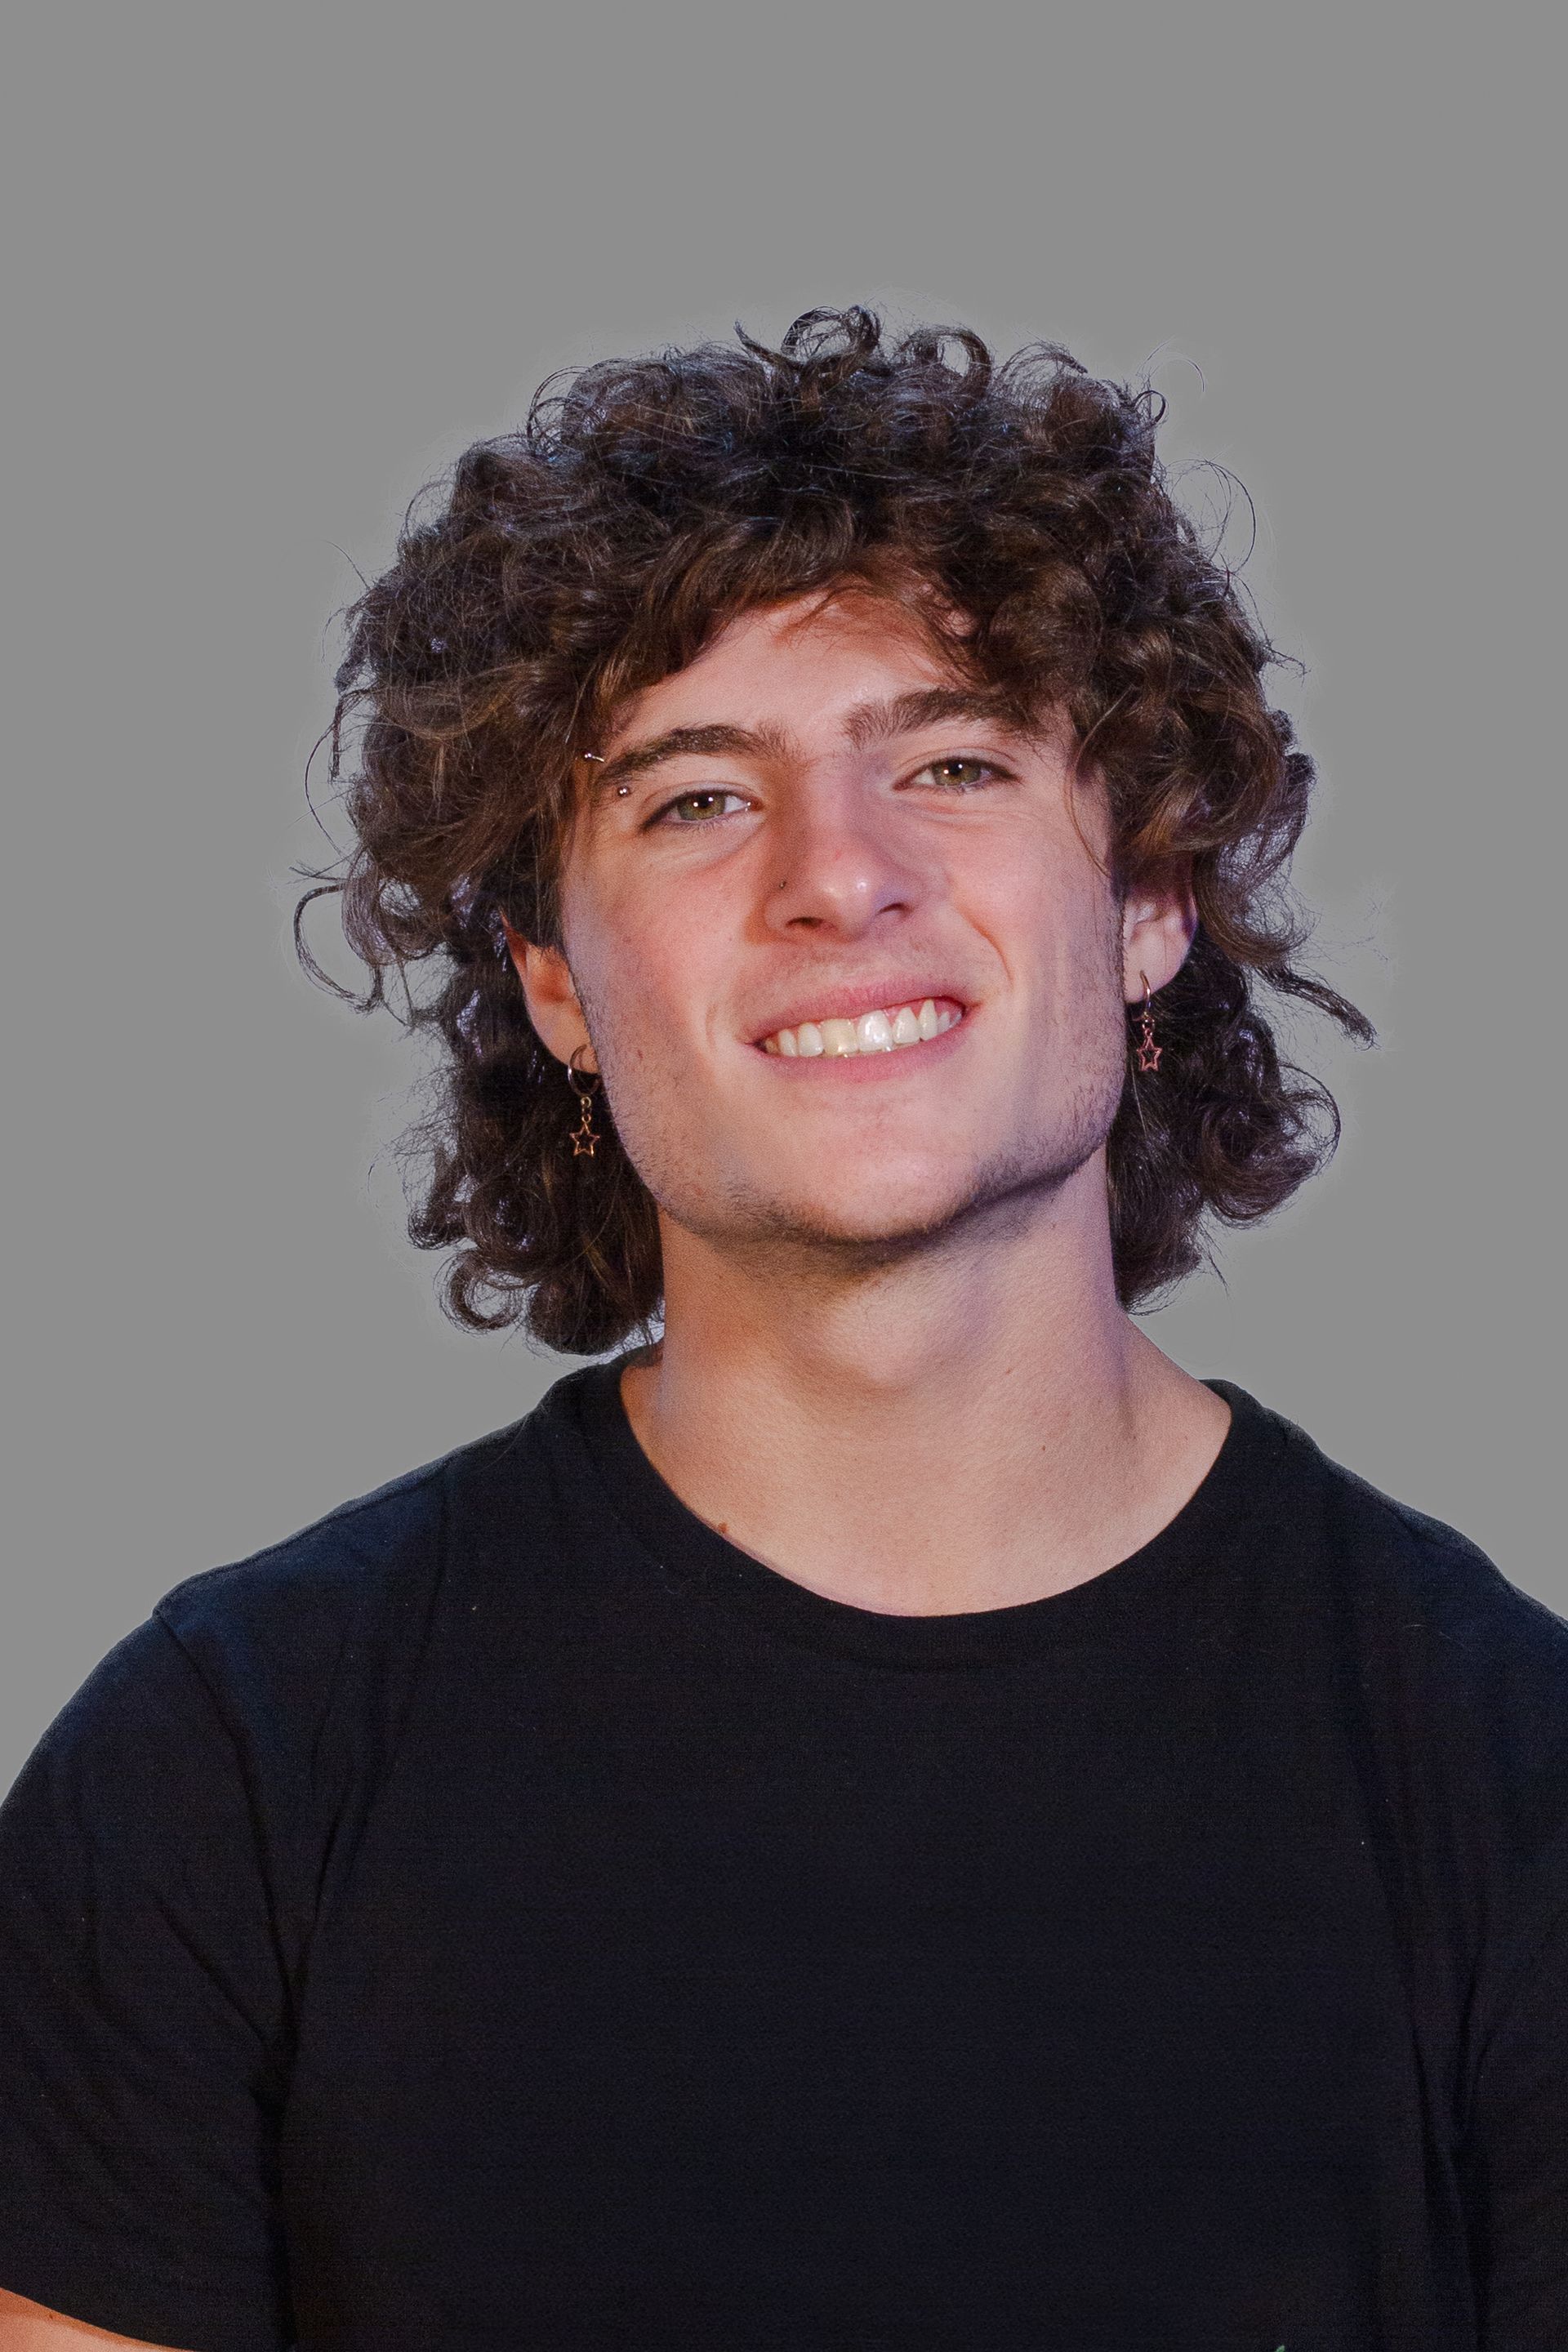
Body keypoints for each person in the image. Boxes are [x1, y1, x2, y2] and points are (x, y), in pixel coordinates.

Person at [0, 307, 1561, 2352]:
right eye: (694, 801)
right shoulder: (220, 1772)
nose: (844, 875)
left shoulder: (1513, 1781)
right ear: (554, 979)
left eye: (955, 762)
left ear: (1154, 895)